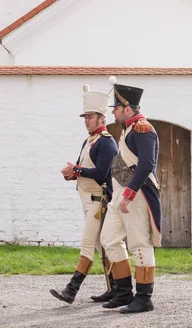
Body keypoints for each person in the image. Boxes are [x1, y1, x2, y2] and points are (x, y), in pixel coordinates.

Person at [50, 84, 118, 304]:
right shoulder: (89, 141)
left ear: (101, 118)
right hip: (87, 200)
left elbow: (101, 173)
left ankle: (71, 290)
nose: (86, 120)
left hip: (99, 202)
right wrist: (72, 174)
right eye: (85, 117)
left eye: (90, 117)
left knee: (88, 244)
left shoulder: (107, 142)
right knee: (102, 247)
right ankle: (115, 288)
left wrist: (77, 170)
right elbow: (84, 168)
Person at [100, 78, 162, 314]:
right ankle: (124, 292)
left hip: (136, 196)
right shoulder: (128, 130)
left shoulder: (143, 129)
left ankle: (144, 297)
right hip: (120, 196)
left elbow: (147, 164)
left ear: (128, 108)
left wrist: (129, 193)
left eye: (116, 108)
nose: (113, 112)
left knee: (139, 244)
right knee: (109, 239)